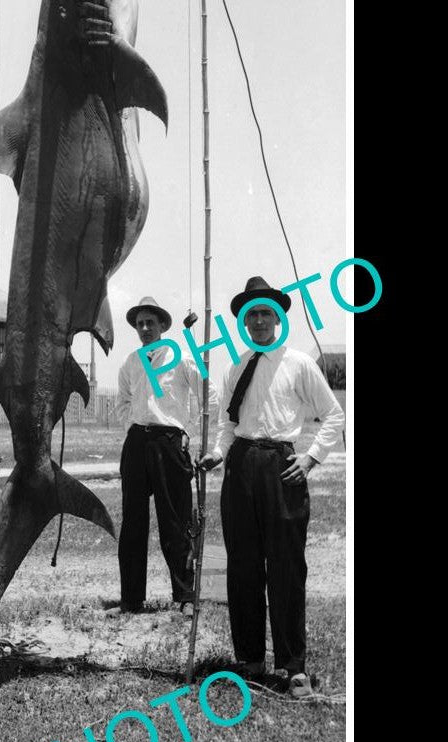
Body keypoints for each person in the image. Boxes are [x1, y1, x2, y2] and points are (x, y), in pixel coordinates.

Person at [198, 276, 345, 699]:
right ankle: (248, 658)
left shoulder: (298, 363)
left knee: (285, 566)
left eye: (267, 313)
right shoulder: (236, 366)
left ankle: (293, 666)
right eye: (252, 314)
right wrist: (218, 454)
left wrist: (311, 456)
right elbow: (228, 424)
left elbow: (333, 415)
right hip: (240, 467)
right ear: (243, 322)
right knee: (242, 565)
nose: (259, 320)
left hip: (282, 467)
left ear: (279, 318)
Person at [117, 295, 219, 614]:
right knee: (133, 525)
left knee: (175, 521)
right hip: (137, 444)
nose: (145, 328)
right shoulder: (131, 362)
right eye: (140, 323)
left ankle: (186, 597)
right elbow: (122, 403)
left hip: (170, 443)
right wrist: (134, 427)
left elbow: (210, 399)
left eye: (151, 322)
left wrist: (186, 430)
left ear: (162, 325)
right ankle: (131, 600)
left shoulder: (182, 357)